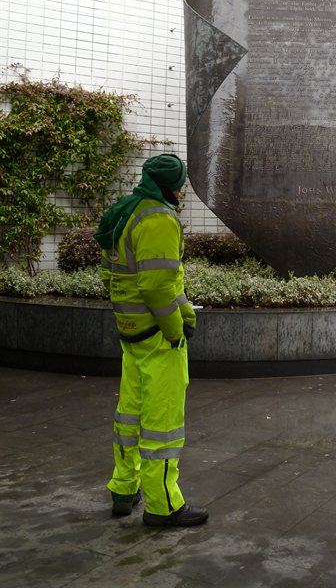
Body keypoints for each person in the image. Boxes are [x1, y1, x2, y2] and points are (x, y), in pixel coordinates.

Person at [94, 153, 208, 527]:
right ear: (170, 185)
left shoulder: (126, 211)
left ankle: (124, 489)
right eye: (180, 184)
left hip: (131, 332)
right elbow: (157, 285)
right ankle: (163, 507)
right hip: (159, 336)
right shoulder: (158, 218)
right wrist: (177, 330)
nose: (181, 191)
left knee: (130, 414)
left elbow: (116, 275)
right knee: (162, 425)